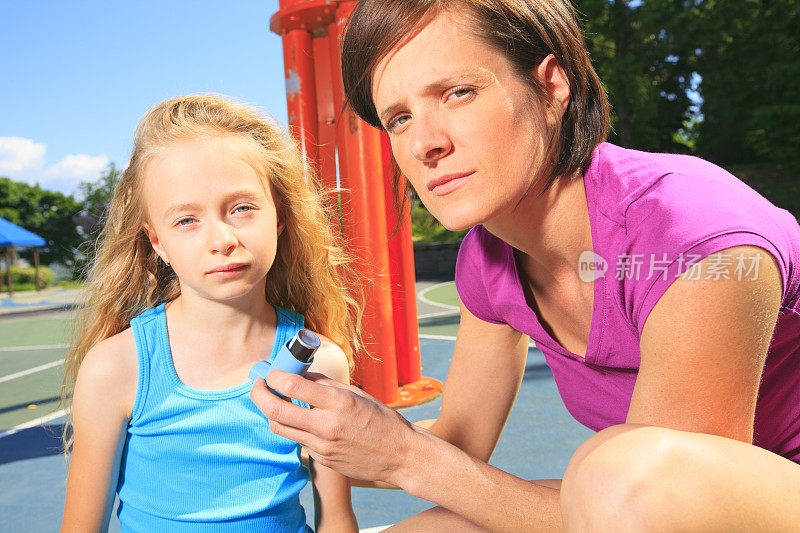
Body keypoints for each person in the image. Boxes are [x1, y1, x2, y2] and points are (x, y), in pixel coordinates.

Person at [250, 0, 800, 531]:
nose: (425, 143)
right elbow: (459, 448)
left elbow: (658, 502)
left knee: (618, 474)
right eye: (399, 118)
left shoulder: (692, 231)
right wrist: (319, 437)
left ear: (551, 85)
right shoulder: (490, 258)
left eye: (458, 92)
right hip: (630, 503)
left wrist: (406, 459)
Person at [60, 95, 360, 533]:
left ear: (278, 216)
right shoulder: (116, 367)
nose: (222, 238)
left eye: (241, 208)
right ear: (157, 242)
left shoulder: (321, 364)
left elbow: (336, 518)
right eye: (186, 220)